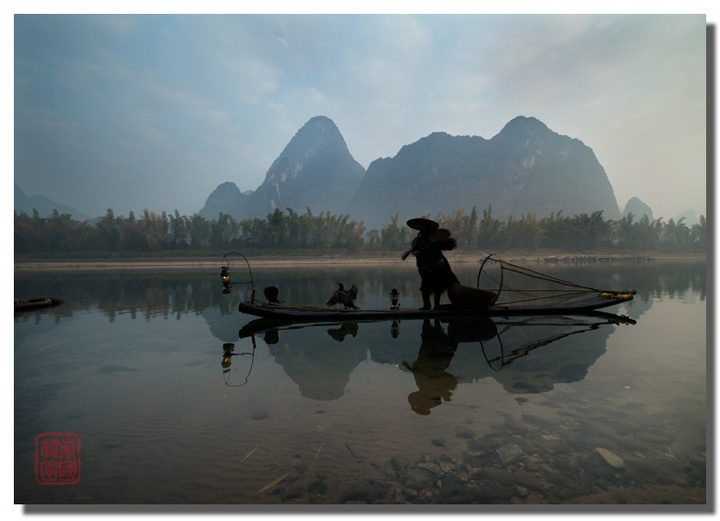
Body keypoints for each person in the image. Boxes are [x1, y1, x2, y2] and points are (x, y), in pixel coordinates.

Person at [402, 217, 460, 310]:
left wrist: (420, 252)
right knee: (425, 288)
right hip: (425, 269)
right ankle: (426, 305)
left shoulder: (434, 237)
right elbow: (417, 256)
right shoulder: (417, 240)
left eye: (422, 225)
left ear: (427, 226)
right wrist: (419, 266)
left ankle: (436, 305)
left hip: (438, 267)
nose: (421, 227)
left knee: (437, 287)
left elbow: (432, 248)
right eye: (419, 225)